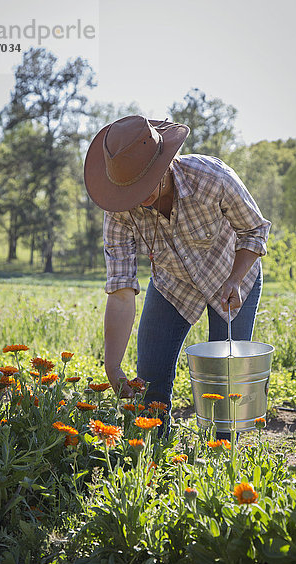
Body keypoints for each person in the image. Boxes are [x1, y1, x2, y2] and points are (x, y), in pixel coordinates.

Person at [84, 115, 271, 437]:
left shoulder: (211, 177)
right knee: (150, 382)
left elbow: (254, 230)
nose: (136, 198)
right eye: (129, 190)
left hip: (231, 277)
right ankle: (152, 456)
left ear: (164, 165)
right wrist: (111, 366)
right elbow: (121, 290)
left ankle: (222, 454)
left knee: (226, 381)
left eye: (143, 186)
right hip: (173, 285)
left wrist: (236, 278)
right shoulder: (119, 209)